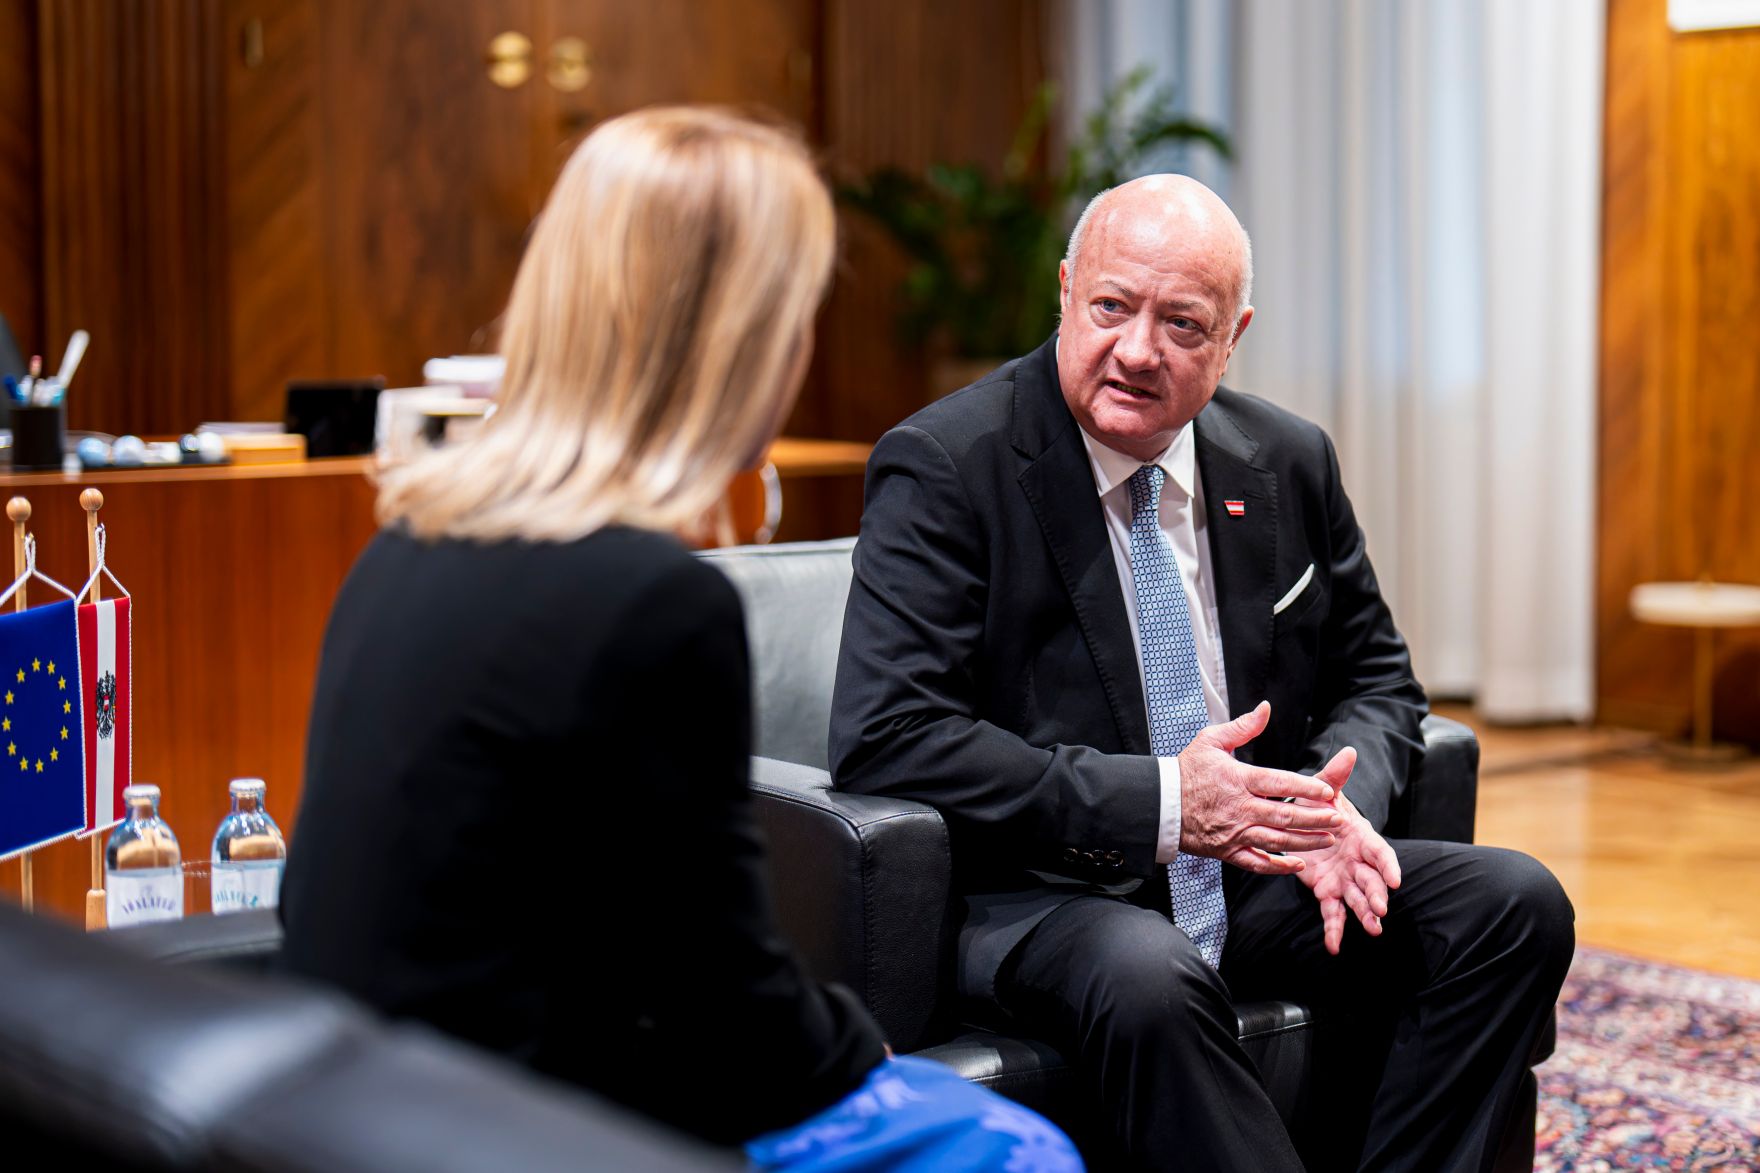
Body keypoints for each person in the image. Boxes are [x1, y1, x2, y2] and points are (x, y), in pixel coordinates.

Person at [280, 107, 1081, 1171]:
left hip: (365, 1106)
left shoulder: (407, 542)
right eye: (795, 315)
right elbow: (722, 999)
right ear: (737, 341)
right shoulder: (650, 600)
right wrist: (852, 1046)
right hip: (536, 1128)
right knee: (1016, 1149)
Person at [829, 173, 1575, 1171]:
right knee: (1147, 969)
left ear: (1232, 337)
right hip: (1047, 891)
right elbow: (890, 733)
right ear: (1063, 293)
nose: (1136, 350)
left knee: (1512, 901)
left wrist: (1322, 805)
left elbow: (1379, 682)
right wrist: (1166, 803)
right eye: (1109, 308)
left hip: (1250, 867)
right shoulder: (945, 466)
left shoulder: (1284, 459)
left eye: (1181, 323)